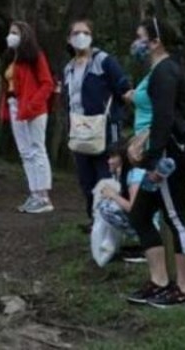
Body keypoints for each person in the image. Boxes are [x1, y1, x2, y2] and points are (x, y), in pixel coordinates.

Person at [123, 17, 185, 308]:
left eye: (140, 37)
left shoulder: (166, 71)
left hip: (170, 158)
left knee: (176, 217)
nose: (137, 42)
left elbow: (165, 119)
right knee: (140, 214)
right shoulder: (160, 71)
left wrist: (153, 157)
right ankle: (159, 281)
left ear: (156, 42)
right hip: (161, 154)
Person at [60, 19, 131, 231]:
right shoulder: (69, 69)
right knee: (86, 177)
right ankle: (94, 219)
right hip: (79, 128)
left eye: (85, 32)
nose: (81, 36)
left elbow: (123, 89)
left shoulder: (104, 61)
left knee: (106, 174)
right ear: (69, 39)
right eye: (76, 33)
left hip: (105, 128)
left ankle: (111, 220)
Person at [0, 21, 56, 213]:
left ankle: (44, 196)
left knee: (37, 149)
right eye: (10, 32)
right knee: (25, 152)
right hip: (15, 106)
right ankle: (34, 193)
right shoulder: (12, 58)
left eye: (15, 32)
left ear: (24, 36)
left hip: (34, 109)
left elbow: (47, 83)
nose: (11, 36)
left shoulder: (35, 57)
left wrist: (33, 104)